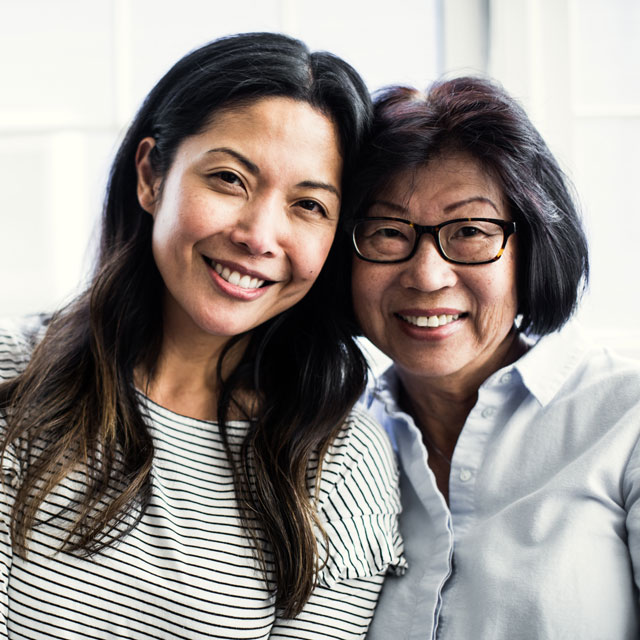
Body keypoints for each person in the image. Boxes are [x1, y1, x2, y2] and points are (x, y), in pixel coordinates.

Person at [0, 32, 405, 640]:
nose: (259, 234)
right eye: (228, 179)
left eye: (309, 206)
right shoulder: (12, 372)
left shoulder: (341, 463)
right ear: (150, 176)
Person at [349, 76, 640, 639]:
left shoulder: (626, 418)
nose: (428, 276)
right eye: (387, 232)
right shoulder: (325, 445)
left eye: (470, 232)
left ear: (530, 248)